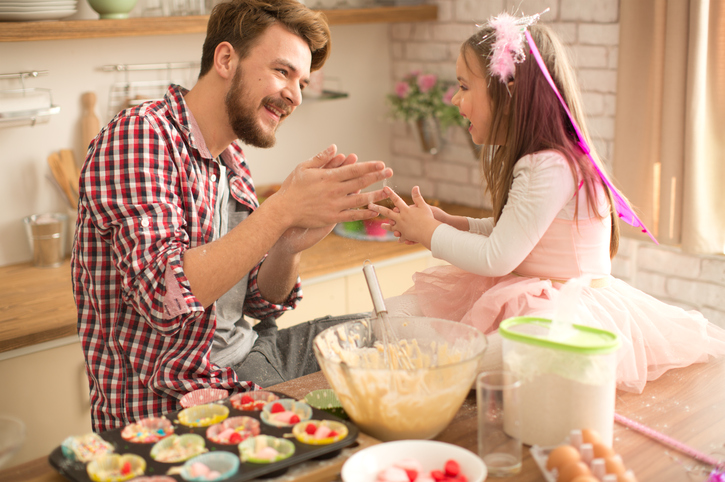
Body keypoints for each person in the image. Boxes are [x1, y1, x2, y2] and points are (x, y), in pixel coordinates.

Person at [71, 0, 393, 432]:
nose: (295, 95)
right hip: (175, 406)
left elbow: (261, 302)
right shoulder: (141, 136)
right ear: (226, 59)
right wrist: (280, 209)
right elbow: (164, 299)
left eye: (302, 81)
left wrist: (288, 243)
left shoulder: (231, 155)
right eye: (283, 72)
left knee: (392, 335)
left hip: (247, 362)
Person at [369, 13, 725, 394]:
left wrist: (430, 233)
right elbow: (515, 232)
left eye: (463, 86)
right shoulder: (548, 159)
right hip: (530, 295)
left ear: (507, 93)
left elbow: (497, 258)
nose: (454, 99)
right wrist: (453, 223)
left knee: (421, 337)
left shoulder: (548, 165)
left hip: (561, 314)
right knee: (390, 321)